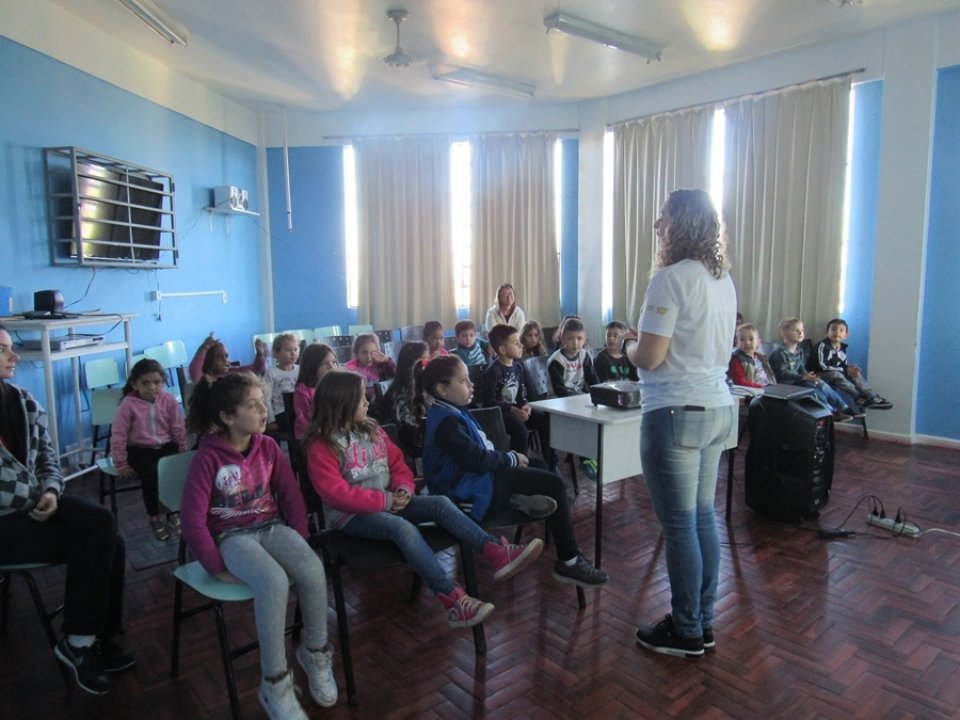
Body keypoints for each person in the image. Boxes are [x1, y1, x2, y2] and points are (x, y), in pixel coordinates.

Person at [303, 370, 543, 629]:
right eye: (361, 399)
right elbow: (336, 494)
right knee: (402, 528)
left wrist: (404, 489)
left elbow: (398, 464)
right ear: (342, 404)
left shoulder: (372, 430)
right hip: (351, 516)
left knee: (439, 503)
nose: (367, 403)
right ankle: (453, 600)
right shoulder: (322, 445)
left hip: (389, 501)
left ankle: (494, 551)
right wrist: (385, 501)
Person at [624, 189, 738, 659]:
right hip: (717, 410)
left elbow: (650, 356)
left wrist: (631, 348)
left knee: (679, 527)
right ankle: (703, 622)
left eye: (663, 217)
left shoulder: (668, 279)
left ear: (681, 224)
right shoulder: (721, 279)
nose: (656, 225)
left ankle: (687, 629)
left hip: (674, 412)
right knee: (700, 520)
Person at [182, 373, 337, 718]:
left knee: (311, 568)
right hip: (231, 538)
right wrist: (216, 568)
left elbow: (290, 494)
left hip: (270, 527)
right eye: (252, 405)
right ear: (227, 416)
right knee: (273, 581)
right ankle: (275, 683)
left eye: (263, 403)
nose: (263, 411)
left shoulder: (267, 447)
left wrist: (300, 538)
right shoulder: (207, 459)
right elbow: (192, 519)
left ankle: (315, 653)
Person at [0, 325, 133, 696]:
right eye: (3, 350)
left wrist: (53, 491)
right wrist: (37, 497)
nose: (13, 357)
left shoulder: (23, 401)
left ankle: (88, 640)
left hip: (37, 506)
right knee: (100, 533)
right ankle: (80, 643)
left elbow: (48, 459)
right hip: (5, 525)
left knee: (110, 534)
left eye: (11, 349)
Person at [420, 355, 607, 588]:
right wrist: (509, 458)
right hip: (465, 492)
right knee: (555, 484)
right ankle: (569, 561)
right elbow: (477, 460)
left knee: (538, 466)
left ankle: (517, 499)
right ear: (442, 389)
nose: (471, 385)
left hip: (477, 479)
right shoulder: (446, 422)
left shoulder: (452, 410)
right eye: (464, 381)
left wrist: (510, 460)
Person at [111, 358, 188, 540]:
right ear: (134, 384)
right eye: (145, 383)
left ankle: (172, 513)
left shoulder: (168, 400)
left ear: (163, 382)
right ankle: (154, 517)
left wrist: (182, 451)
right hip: (139, 449)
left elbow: (178, 427)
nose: (152, 387)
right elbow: (119, 435)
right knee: (151, 475)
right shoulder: (128, 405)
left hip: (165, 445)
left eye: (157, 382)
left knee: (173, 473)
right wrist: (121, 463)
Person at [478, 324, 555, 470]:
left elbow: (521, 393)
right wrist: (513, 410)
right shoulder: (493, 372)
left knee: (545, 421)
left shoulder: (518, 367)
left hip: (515, 410)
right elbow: (488, 401)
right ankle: (519, 466)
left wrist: (525, 404)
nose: (521, 345)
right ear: (502, 349)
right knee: (520, 430)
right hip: (499, 414)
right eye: (516, 343)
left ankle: (551, 462)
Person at [768, 317, 862, 421]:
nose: (800, 333)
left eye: (802, 330)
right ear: (784, 332)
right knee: (812, 390)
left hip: (797, 381)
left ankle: (844, 408)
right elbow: (783, 373)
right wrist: (803, 377)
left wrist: (809, 376)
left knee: (819, 383)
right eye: (796, 330)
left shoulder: (799, 350)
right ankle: (831, 412)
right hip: (785, 385)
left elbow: (801, 367)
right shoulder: (779, 352)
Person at [547, 317, 600, 479]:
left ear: (585, 339)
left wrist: (600, 392)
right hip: (558, 402)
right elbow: (559, 389)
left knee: (597, 419)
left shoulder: (584, 356)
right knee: (584, 421)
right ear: (561, 339)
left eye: (579, 339)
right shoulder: (556, 360)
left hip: (578, 400)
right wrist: (581, 398)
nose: (575, 343)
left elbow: (593, 379)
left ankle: (591, 457)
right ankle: (585, 459)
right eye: (570, 339)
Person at [806, 318, 893, 410]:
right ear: (826, 332)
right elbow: (823, 366)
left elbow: (843, 365)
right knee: (836, 374)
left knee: (855, 374)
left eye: (841, 330)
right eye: (833, 329)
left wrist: (850, 369)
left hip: (835, 373)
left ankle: (872, 397)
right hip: (819, 373)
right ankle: (857, 397)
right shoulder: (822, 346)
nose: (837, 332)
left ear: (846, 335)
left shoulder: (842, 348)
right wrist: (845, 370)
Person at [377, 341, 429, 456]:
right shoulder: (401, 393)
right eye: (424, 360)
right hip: (407, 448)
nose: (428, 365)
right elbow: (407, 429)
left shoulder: (422, 386)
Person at [292, 343, 338, 438]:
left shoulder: (337, 386)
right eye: (324, 364)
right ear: (311, 366)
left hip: (333, 431)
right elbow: (305, 420)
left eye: (334, 362)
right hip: (310, 435)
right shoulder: (303, 391)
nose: (332, 367)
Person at [189, 333, 267, 384]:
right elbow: (195, 371)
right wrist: (204, 348)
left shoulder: (231, 372)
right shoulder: (207, 380)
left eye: (226, 356)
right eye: (219, 357)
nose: (225, 360)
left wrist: (260, 354)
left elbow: (256, 370)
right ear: (209, 361)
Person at [263, 333, 300, 438]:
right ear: (276, 353)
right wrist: (271, 420)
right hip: (281, 412)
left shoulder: (300, 369)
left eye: (295, 349)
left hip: (298, 410)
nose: (293, 353)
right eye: (288, 350)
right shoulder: (271, 373)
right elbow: (266, 398)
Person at [343, 333, 396, 401]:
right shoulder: (350, 369)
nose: (369, 357)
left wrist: (386, 360)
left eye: (373, 352)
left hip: (381, 402)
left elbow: (397, 375)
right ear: (356, 353)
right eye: (364, 352)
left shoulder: (381, 365)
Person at [727, 323, 776, 389]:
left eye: (751, 339)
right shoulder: (736, 359)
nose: (747, 342)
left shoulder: (761, 357)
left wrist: (774, 387)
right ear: (737, 342)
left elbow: (770, 376)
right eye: (742, 339)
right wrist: (761, 387)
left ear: (758, 342)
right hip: (751, 392)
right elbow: (740, 382)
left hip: (768, 389)